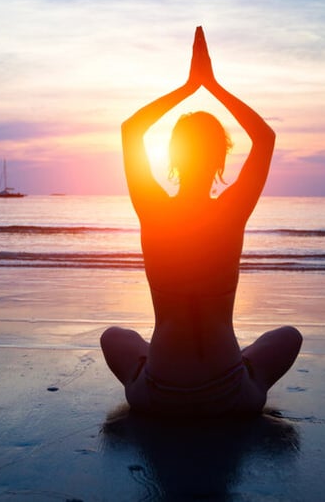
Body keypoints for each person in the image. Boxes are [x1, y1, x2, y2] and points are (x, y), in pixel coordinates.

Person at [101, 26, 302, 416]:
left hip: (159, 396)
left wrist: (188, 86)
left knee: (115, 337)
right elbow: (264, 137)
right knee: (288, 336)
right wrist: (212, 85)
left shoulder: (153, 208)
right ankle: (243, 367)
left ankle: (150, 367)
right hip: (227, 396)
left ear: (173, 158)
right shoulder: (231, 211)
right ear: (220, 160)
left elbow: (131, 130)